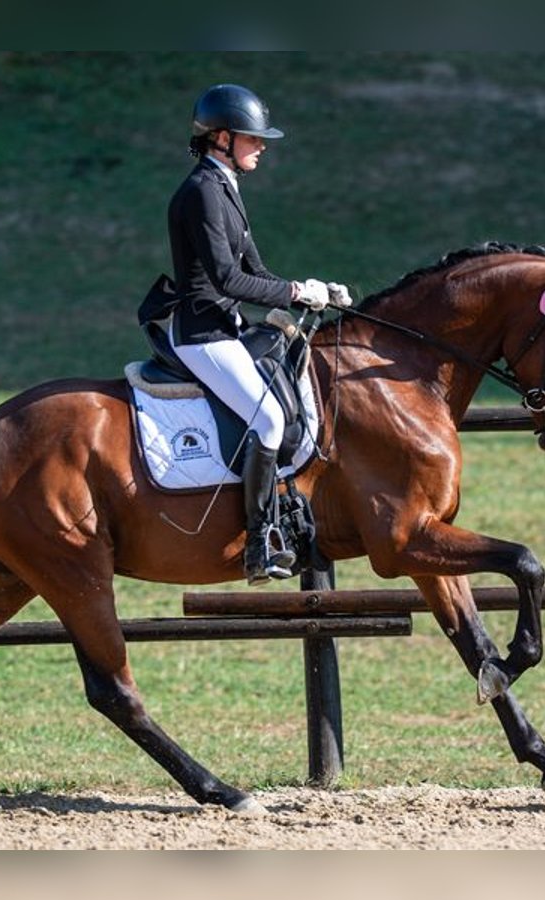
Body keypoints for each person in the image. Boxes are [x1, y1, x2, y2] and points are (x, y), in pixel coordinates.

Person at [166, 83, 351, 585]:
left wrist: (314, 291)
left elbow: (256, 269)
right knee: (268, 420)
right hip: (203, 334)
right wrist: (292, 291)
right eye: (252, 137)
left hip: (228, 327)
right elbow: (227, 279)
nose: (262, 146)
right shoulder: (202, 192)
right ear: (221, 137)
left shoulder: (224, 185)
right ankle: (258, 544)